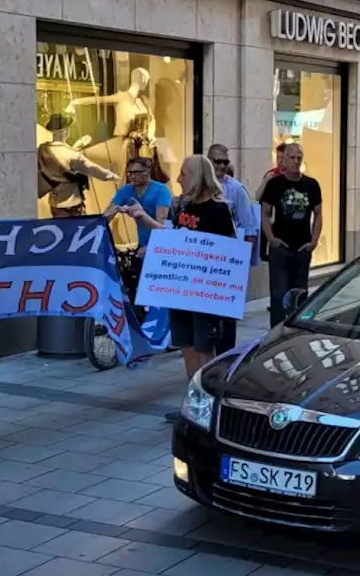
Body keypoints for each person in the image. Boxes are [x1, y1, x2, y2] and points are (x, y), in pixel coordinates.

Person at [126, 157, 238, 420]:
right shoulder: (184, 205)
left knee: (204, 348)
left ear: (198, 176)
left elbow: (229, 253)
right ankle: (193, 404)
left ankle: (209, 408)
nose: (179, 179)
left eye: (184, 174)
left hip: (203, 293)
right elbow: (173, 237)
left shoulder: (219, 210)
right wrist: (145, 218)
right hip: (180, 290)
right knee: (186, 346)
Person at [262, 143, 324, 326]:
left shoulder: (311, 185)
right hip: (281, 248)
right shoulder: (274, 184)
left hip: (302, 248)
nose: (296, 161)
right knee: (279, 296)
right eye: (292, 158)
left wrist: (313, 241)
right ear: (284, 159)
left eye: (299, 158)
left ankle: (297, 330)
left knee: (300, 295)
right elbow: (265, 212)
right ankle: (276, 333)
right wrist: (271, 239)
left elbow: (318, 213)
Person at [104, 156, 172, 251]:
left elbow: (162, 227)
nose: (132, 176)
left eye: (136, 172)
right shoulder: (125, 190)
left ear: (148, 172)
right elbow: (105, 218)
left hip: (164, 245)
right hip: (142, 244)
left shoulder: (161, 190)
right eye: (130, 173)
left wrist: (151, 248)